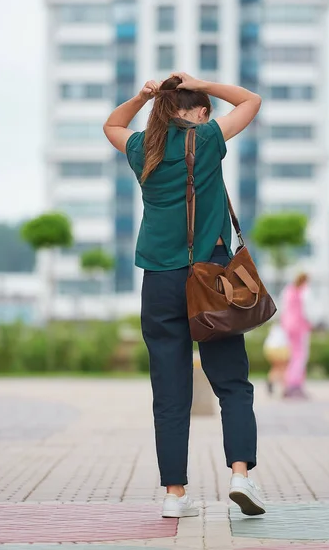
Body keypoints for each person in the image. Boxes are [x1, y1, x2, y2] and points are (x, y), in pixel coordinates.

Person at [103, 73, 265, 518]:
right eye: (201, 109)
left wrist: (142, 95)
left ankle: (174, 496)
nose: (206, 115)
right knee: (232, 384)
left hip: (158, 282)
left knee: (169, 393)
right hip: (208, 279)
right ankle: (240, 475)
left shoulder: (143, 148)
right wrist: (205, 84)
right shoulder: (208, 138)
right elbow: (251, 100)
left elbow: (112, 125)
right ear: (193, 112)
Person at [280, 273, 312, 399]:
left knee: (293, 355)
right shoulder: (304, 292)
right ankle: (295, 384)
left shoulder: (288, 291)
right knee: (301, 356)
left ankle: (289, 383)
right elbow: (308, 311)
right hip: (300, 327)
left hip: (288, 327)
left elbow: (283, 309)